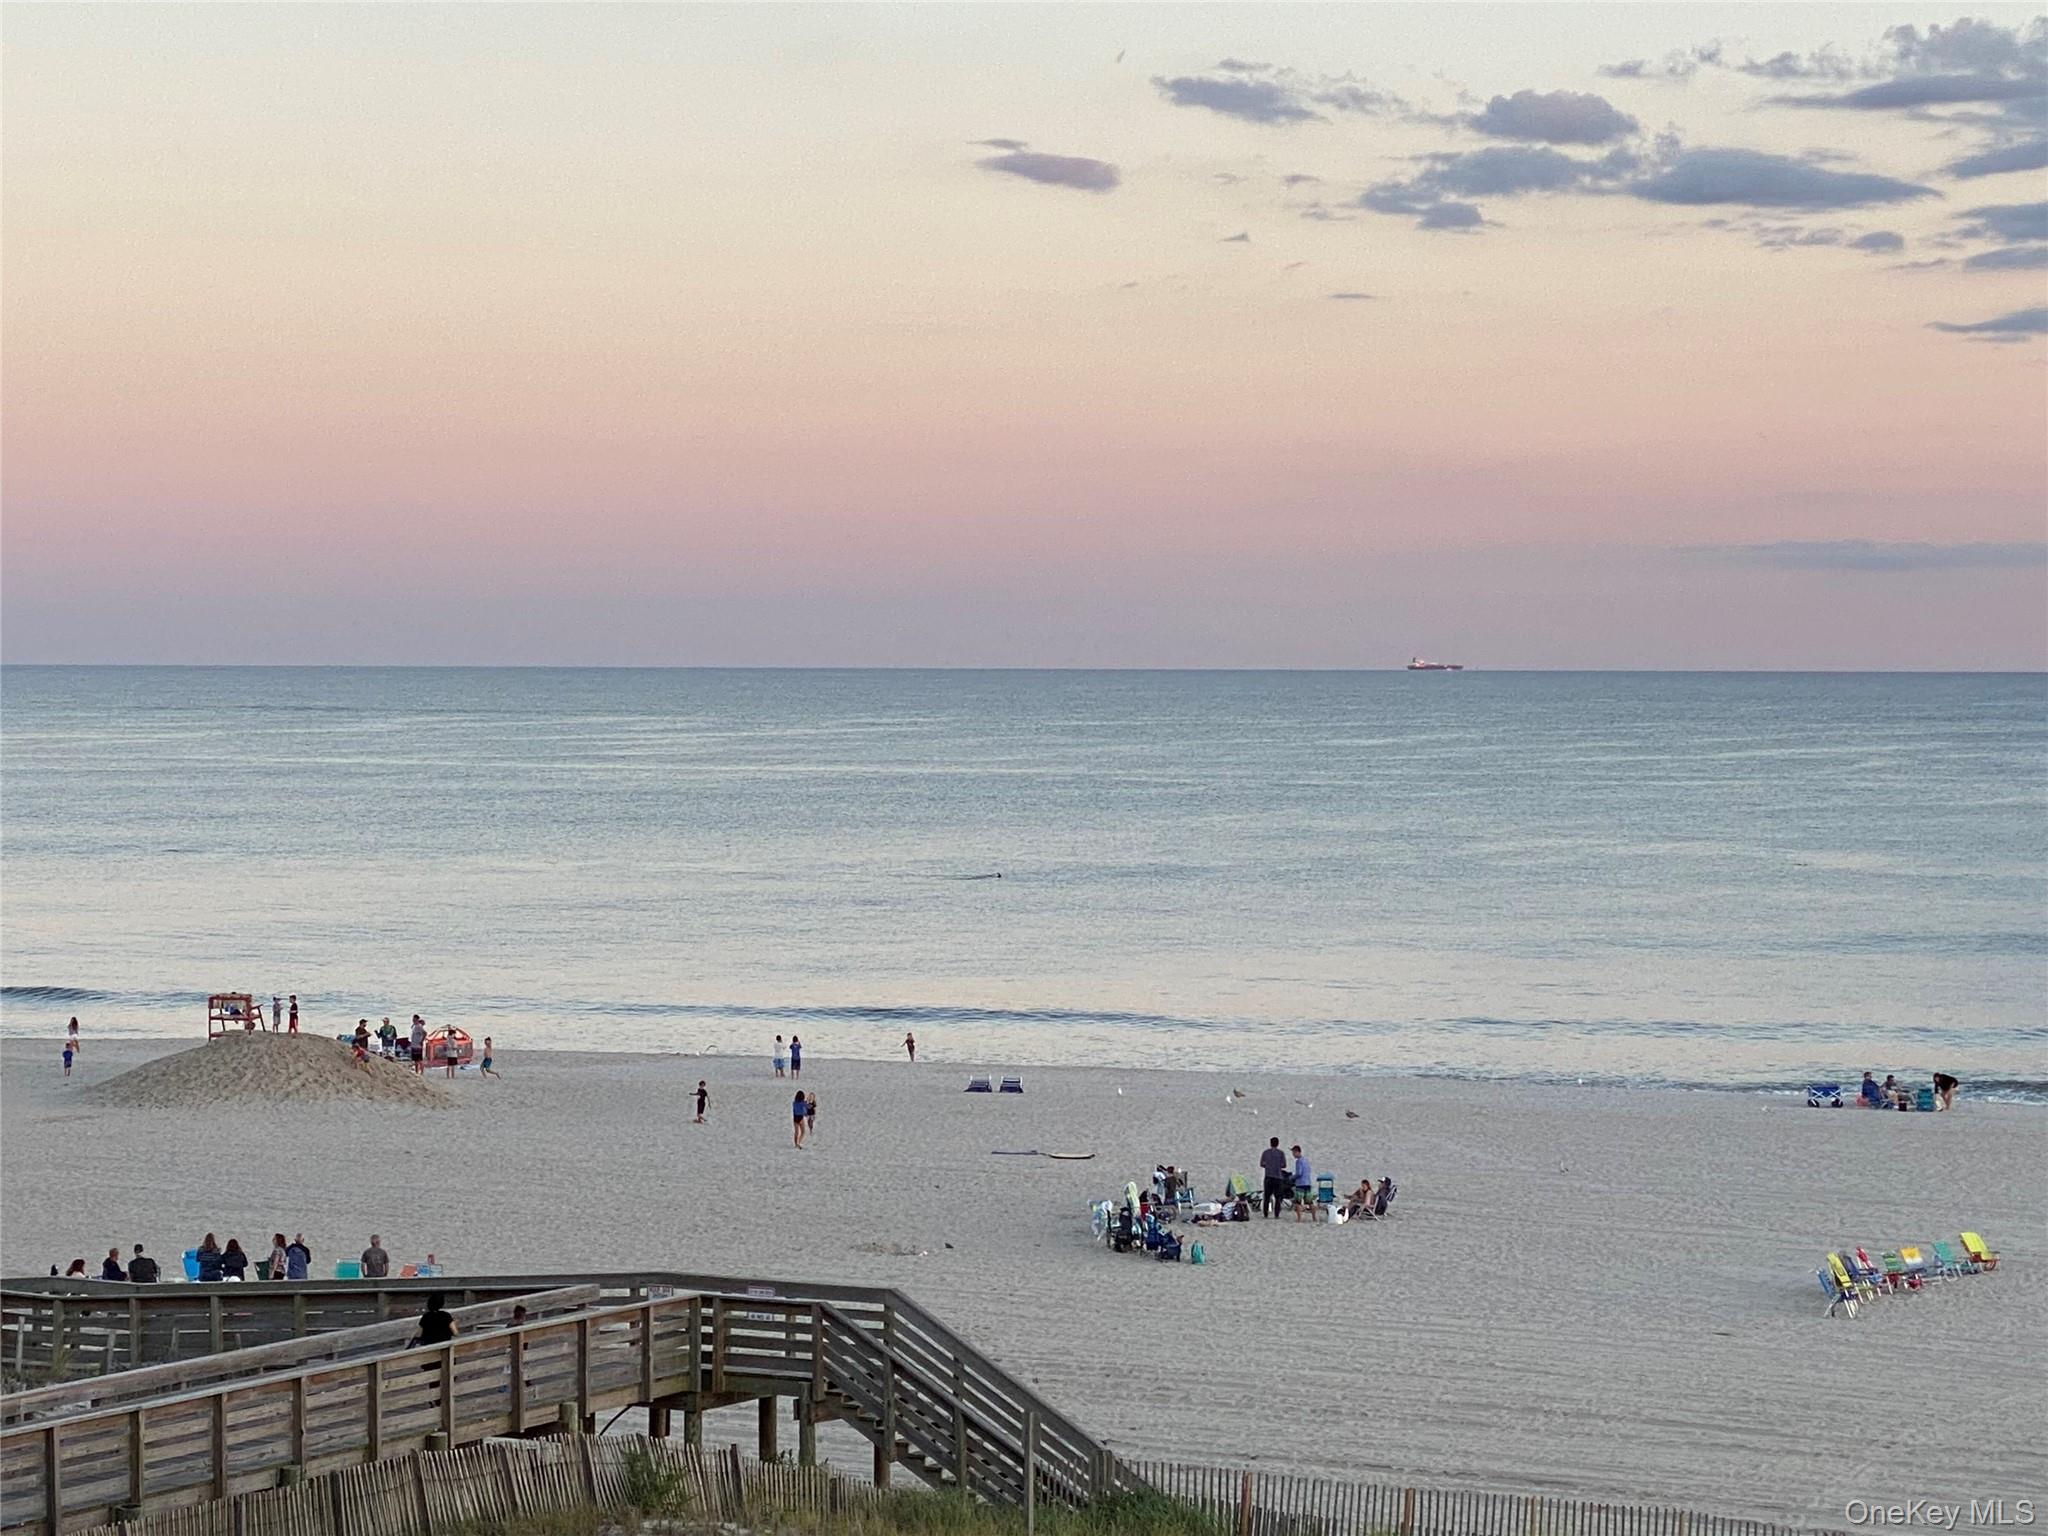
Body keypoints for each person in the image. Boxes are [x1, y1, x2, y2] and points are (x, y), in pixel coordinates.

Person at [1258, 1137, 1288, 1218]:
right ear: (1278, 1144)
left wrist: (1268, 1166)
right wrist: (1277, 1165)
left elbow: (1261, 1164)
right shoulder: (1281, 1153)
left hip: (1268, 1177)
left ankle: (1265, 1213)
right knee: (1278, 1197)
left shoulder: (1265, 1153)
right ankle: (1276, 1214)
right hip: (1278, 1177)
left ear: (1270, 1143)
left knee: (1267, 1196)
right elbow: (1284, 1165)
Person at [1290, 1145, 1313, 1219]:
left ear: (1297, 1152)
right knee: (1310, 1202)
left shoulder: (1298, 1161)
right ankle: (1314, 1217)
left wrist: (1292, 1177)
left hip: (1300, 1184)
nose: (1293, 1155)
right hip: (1308, 1183)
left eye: (1293, 1153)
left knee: (1298, 1202)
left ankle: (1299, 1218)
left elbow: (1299, 1173)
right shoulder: (1306, 1160)